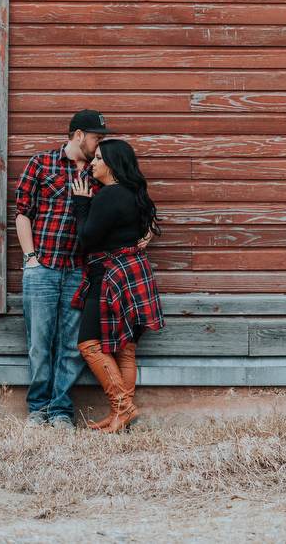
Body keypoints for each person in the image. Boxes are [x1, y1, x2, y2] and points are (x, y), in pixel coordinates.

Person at [15, 108, 115, 433]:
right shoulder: (41, 164)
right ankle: (38, 409)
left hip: (78, 271)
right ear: (78, 136)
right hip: (42, 267)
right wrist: (31, 257)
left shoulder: (99, 172)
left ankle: (60, 411)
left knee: (71, 346)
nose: (100, 143)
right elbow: (22, 213)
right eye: (96, 137)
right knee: (39, 343)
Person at [71, 138, 165, 433]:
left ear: (112, 164)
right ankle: (118, 415)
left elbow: (87, 239)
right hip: (133, 275)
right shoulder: (136, 194)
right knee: (125, 349)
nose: (93, 163)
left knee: (89, 344)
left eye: (98, 158)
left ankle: (124, 407)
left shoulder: (109, 195)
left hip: (110, 276)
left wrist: (82, 204)